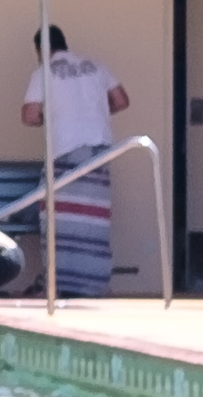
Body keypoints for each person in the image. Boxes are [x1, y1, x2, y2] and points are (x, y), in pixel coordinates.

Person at [28, 24, 134, 295]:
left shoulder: (44, 72)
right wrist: (92, 113)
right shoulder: (96, 67)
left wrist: (52, 117)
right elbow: (121, 101)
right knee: (93, 222)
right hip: (99, 153)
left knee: (59, 222)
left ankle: (59, 285)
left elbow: (29, 115)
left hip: (64, 152)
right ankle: (93, 285)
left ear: (41, 50)